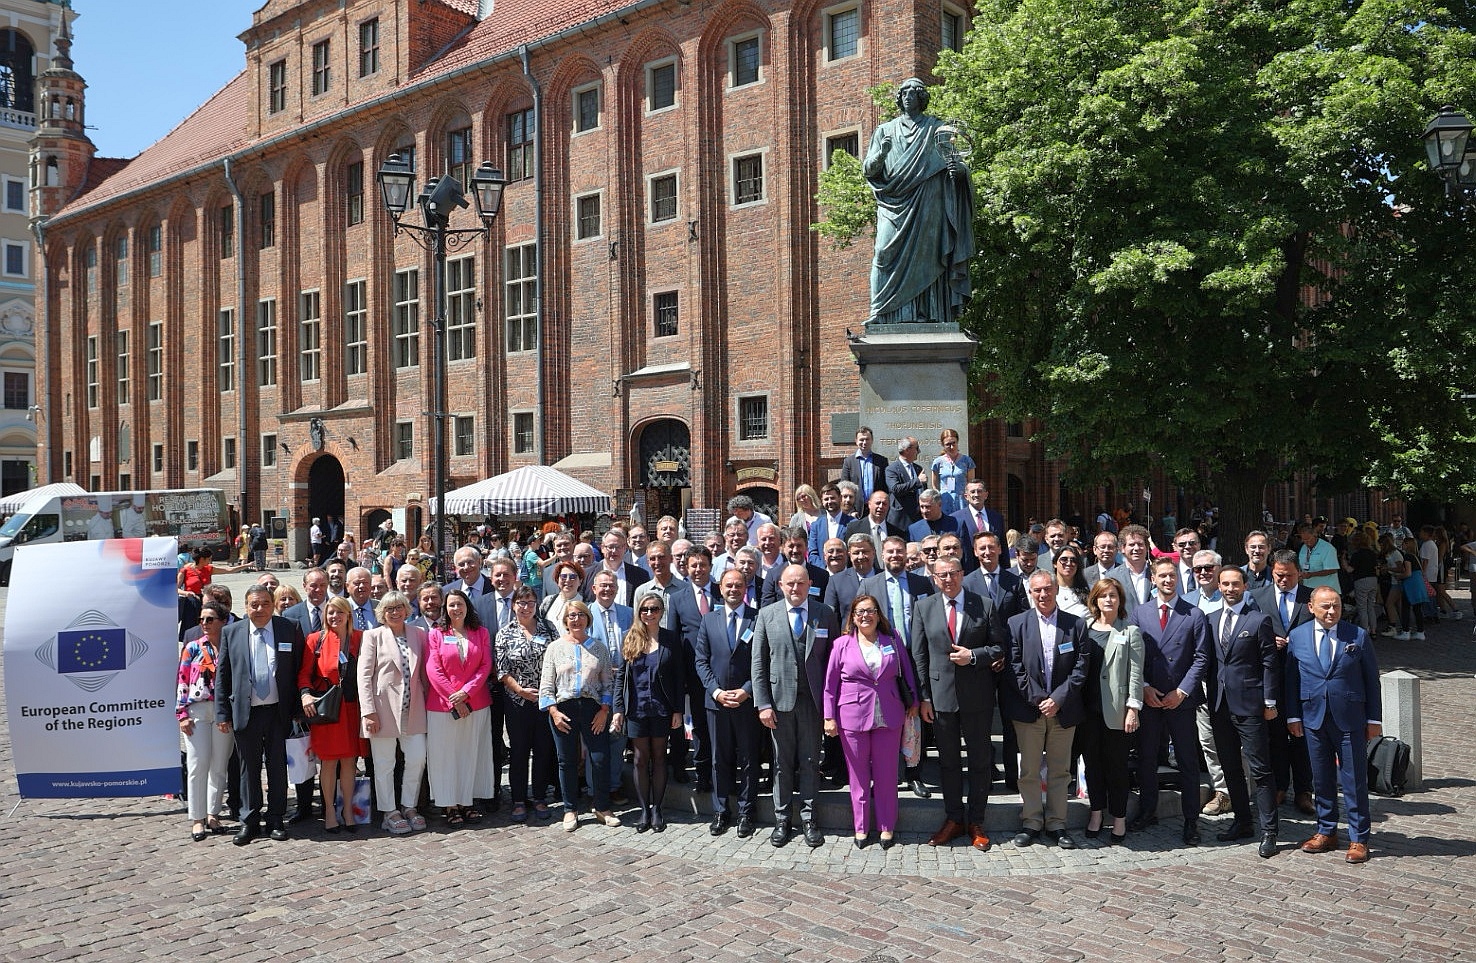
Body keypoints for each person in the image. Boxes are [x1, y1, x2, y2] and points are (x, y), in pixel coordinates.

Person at [863, 77, 974, 326]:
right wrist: (881, 153)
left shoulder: (937, 129)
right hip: (894, 203)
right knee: (882, 251)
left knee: (929, 258)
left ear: (922, 99)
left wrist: (959, 172)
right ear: (900, 99)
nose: (908, 97)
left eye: (914, 93)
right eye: (904, 93)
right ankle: (881, 312)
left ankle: (929, 313)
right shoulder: (885, 131)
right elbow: (869, 170)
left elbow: (956, 164)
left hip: (929, 201)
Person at [912, 556, 1004, 849]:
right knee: (948, 763)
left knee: (979, 762)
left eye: (953, 573)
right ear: (934, 578)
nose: (948, 579)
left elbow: (999, 646)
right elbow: (919, 656)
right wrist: (924, 697)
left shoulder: (985, 605)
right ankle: (953, 819)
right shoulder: (923, 607)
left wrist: (973, 656)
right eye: (942, 575)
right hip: (940, 699)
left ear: (963, 574)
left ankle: (976, 821)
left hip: (977, 696)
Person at [1285, 588, 1382, 864]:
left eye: (1336, 607)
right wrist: (1293, 716)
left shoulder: (1357, 635)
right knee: (1321, 777)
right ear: (1311, 607)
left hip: (1350, 718)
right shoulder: (1299, 636)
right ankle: (1326, 830)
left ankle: (1359, 837)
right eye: (1325, 607)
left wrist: (1374, 719)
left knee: (1354, 779)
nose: (1331, 612)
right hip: (1313, 717)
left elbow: (1371, 680)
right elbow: (1291, 680)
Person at [751, 564, 839, 848]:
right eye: (789, 584)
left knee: (811, 761)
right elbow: (759, 663)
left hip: (813, 703)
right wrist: (763, 703)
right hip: (779, 703)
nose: (795, 588)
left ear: (809, 584)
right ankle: (782, 818)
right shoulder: (767, 615)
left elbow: (834, 663)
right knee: (781, 763)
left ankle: (810, 818)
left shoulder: (825, 613)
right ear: (780, 585)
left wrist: (831, 706)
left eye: (800, 583)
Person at [824, 593, 920, 849]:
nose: (865, 616)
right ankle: (861, 826)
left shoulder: (892, 640)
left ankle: (887, 826)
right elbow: (830, 685)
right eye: (860, 612)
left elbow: (907, 672)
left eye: (870, 610)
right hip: (852, 717)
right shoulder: (841, 644)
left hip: (889, 714)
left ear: (878, 614)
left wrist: (914, 702)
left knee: (887, 774)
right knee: (858, 776)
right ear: (853, 618)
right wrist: (829, 716)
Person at [1129, 557, 1213, 846]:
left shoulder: (1194, 614)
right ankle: (1148, 810)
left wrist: (1183, 691)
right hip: (1151, 699)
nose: (1168, 580)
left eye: (1172, 575)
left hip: (1182, 701)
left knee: (1188, 762)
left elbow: (1201, 658)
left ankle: (1191, 820)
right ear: (1153, 579)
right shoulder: (1140, 613)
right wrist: (1145, 688)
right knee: (1148, 758)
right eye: (1162, 576)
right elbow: (1134, 655)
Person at [1005, 570, 1091, 850]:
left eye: (1047, 589)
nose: (1042, 595)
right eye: (1037, 590)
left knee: (1059, 771)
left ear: (1056, 590)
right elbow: (1015, 666)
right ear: (1030, 593)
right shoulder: (1016, 623)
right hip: (1029, 710)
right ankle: (1031, 821)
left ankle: (1056, 823)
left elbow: (1081, 667)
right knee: (1029, 770)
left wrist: (1058, 699)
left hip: (1063, 711)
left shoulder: (1075, 624)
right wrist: (1039, 698)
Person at [215, 584, 305, 846]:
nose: (260, 609)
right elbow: (223, 676)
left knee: (277, 767)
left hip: (279, 711)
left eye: (265, 603)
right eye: (254, 604)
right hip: (247, 712)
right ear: (246, 607)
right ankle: (249, 820)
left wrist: (298, 709)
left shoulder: (289, 628)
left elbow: (299, 669)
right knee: (248, 769)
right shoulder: (232, 633)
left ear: (273, 604)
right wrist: (223, 713)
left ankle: (276, 818)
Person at [1206, 566, 1281, 858]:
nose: (1229, 589)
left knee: (1260, 770)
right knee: (1231, 769)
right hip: (1219, 705)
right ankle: (1242, 821)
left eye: (1235, 584)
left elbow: (1269, 663)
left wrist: (1270, 701)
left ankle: (1269, 832)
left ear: (1245, 585)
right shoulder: (1211, 619)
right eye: (1224, 584)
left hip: (1250, 705)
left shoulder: (1258, 620)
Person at [539, 600, 621, 831]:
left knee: (599, 758)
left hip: (593, 709)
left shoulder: (599, 647)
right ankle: (570, 809)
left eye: (581, 615)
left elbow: (608, 683)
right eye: (572, 615)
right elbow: (546, 685)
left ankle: (602, 807)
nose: (576, 619)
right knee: (567, 760)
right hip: (563, 709)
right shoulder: (554, 648)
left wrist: (604, 710)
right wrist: (553, 712)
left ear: (588, 618)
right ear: (565, 621)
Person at [694, 568, 762, 838]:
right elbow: (701, 660)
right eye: (728, 586)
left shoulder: (758, 619)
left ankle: (747, 810)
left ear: (745, 588)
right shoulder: (709, 620)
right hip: (717, 703)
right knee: (718, 758)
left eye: (738, 585)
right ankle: (721, 810)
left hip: (747, 702)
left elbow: (762, 661)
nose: (733, 589)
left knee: (748, 758)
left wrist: (747, 690)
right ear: (720, 589)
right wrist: (716, 691)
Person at [1077, 578, 1142, 845]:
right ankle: (1095, 814)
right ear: (1095, 600)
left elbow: (1136, 673)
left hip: (1117, 711)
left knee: (1116, 767)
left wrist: (1133, 708)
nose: (1108, 600)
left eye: (1113, 596)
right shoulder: (1084, 629)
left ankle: (1118, 818)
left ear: (1120, 600)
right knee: (1092, 765)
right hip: (1087, 711)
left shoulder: (1130, 631)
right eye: (1103, 596)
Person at [358, 591, 428, 835]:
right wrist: (368, 712)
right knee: (384, 763)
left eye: (399, 607)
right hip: (383, 710)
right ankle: (389, 811)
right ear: (382, 613)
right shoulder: (373, 636)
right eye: (389, 609)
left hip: (414, 709)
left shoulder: (418, 634)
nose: (395, 612)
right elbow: (364, 676)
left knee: (417, 757)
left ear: (407, 610)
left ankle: (409, 805)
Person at [613, 592, 685, 833]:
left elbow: (678, 678)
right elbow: (620, 677)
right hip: (637, 709)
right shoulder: (629, 638)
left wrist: (678, 710)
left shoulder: (670, 639)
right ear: (638, 612)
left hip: (662, 709)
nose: (649, 614)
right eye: (645, 609)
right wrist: (618, 709)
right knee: (639, 759)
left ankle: (658, 808)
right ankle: (645, 808)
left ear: (661, 612)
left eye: (654, 609)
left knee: (660, 757)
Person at [424, 589, 495, 827]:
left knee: (470, 753)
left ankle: (467, 801)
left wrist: (467, 693)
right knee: (446, 755)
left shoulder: (481, 632)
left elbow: (485, 665)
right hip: (443, 706)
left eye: (460, 604)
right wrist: (456, 698)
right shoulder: (436, 634)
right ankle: (450, 804)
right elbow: (434, 669)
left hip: (476, 702)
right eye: (451, 605)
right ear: (445, 609)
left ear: (467, 606)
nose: (456, 609)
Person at [297, 595, 365, 833]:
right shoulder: (315, 639)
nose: (334, 616)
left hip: (352, 707)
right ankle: (328, 811)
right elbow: (304, 674)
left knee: (349, 761)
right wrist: (306, 695)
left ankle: (348, 810)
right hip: (328, 710)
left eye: (339, 612)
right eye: (330, 612)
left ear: (348, 614)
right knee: (328, 762)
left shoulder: (361, 638)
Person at [496, 585, 559, 824]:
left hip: (545, 701)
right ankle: (519, 800)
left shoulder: (549, 628)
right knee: (520, 751)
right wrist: (520, 690)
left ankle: (540, 796)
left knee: (543, 750)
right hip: (517, 701)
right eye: (521, 602)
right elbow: (502, 671)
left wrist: (546, 692)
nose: (525, 607)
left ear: (536, 605)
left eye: (530, 602)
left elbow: (556, 661)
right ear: (513, 605)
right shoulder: (505, 633)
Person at [177, 600, 233, 842]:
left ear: (222, 621)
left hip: (223, 712)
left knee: (219, 766)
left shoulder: (231, 646)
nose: (205, 624)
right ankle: (197, 818)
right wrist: (182, 714)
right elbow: (182, 680)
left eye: (210, 619)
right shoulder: (192, 647)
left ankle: (213, 813)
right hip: (197, 711)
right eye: (202, 619)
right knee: (198, 764)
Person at [884, 436, 927, 529]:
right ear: (907, 450)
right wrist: (918, 481)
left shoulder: (918, 468)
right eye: (917, 448)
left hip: (918, 518)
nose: (919, 452)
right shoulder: (892, 469)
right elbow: (895, 489)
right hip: (900, 520)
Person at [840, 426, 888, 503]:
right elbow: (844, 487)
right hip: (856, 509)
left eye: (867, 439)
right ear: (856, 441)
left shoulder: (881, 461)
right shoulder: (849, 462)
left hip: (877, 506)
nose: (864, 442)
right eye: (861, 440)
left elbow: (886, 487)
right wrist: (851, 510)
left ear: (872, 440)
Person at [1051, 545, 1090, 618]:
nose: (1069, 563)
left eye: (1073, 560)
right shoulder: (1048, 590)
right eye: (1064, 559)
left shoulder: (1088, 590)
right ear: (1055, 564)